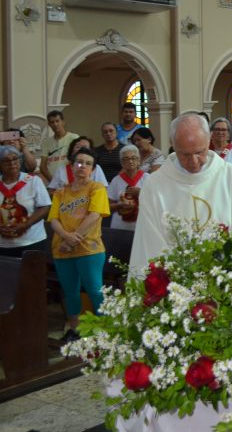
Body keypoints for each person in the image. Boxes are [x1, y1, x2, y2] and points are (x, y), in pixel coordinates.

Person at [128, 113, 232, 275]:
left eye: (199, 152)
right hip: (173, 280)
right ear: (173, 145)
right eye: (185, 155)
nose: (193, 162)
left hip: (224, 278)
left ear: (209, 141)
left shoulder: (231, 178)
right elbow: (149, 242)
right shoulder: (155, 185)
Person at [48, 147, 110, 342]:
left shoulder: (97, 188)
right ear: (72, 166)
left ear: (93, 169)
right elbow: (53, 219)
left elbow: (94, 215)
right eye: (79, 162)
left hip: (89, 249)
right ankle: (75, 329)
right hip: (62, 249)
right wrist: (66, 237)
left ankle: (103, 332)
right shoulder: (61, 192)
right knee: (70, 292)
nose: (83, 166)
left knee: (95, 291)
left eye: (88, 163)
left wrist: (72, 240)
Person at [0, 145, 50, 256]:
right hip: (2, 244)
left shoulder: (34, 181)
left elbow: (45, 206)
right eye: (6, 160)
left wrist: (26, 224)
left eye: (15, 158)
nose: (12, 163)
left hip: (32, 241)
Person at [106, 144, 148, 231]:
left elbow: (156, 201)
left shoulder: (147, 178)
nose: (130, 161)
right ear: (122, 163)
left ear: (139, 160)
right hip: (120, 227)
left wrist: (141, 193)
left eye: (133, 158)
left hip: (142, 227)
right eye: (126, 159)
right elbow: (107, 206)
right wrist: (119, 205)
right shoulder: (116, 180)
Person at [40, 110, 79, 183]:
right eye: (52, 122)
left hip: (71, 181)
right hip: (53, 183)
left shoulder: (74, 138)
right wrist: (53, 182)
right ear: (49, 124)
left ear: (63, 122)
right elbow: (42, 166)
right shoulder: (47, 142)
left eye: (57, 121)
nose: (55, 124)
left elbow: (80, 159)